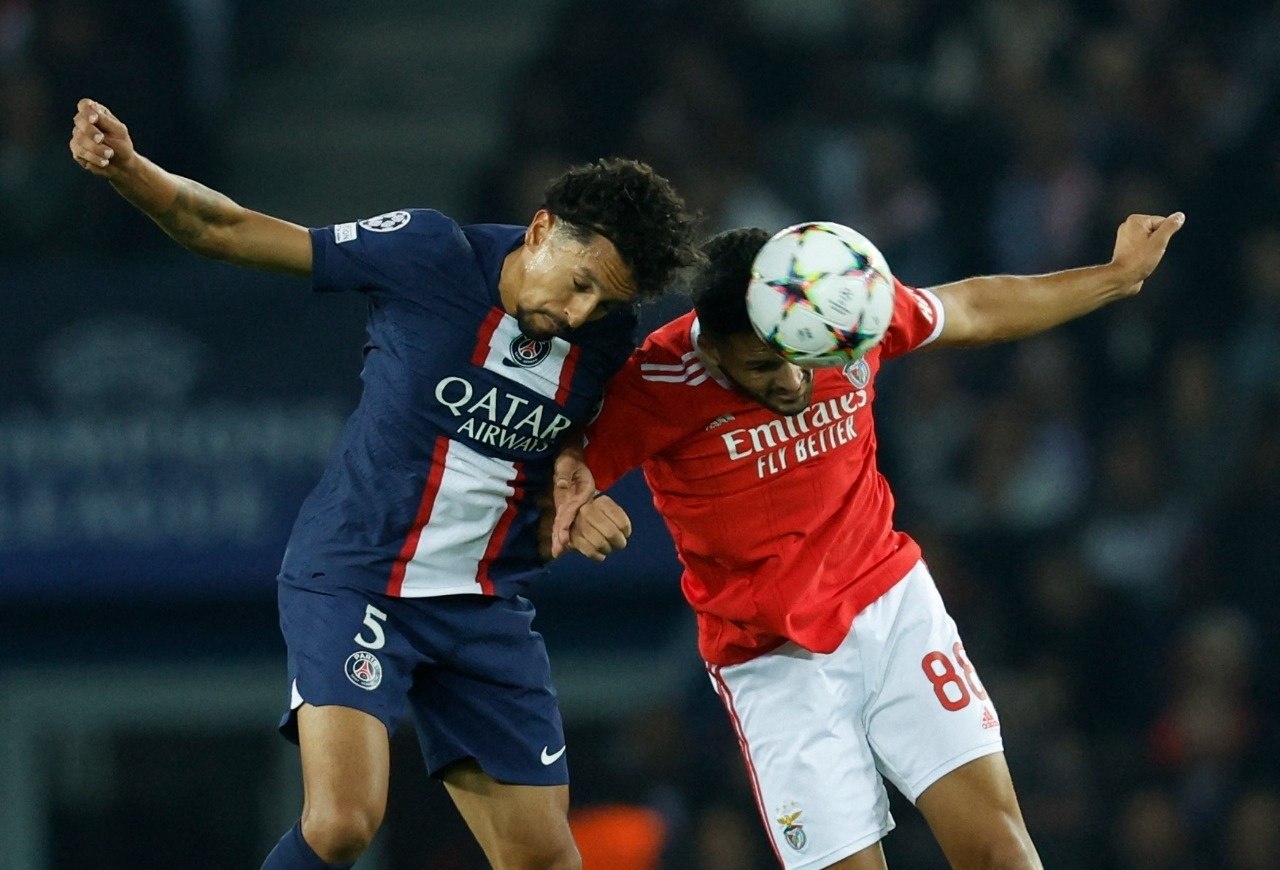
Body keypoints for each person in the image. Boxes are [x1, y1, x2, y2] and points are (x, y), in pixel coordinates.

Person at [68, 97, 699, 870]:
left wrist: (584, 479)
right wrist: (133, 173)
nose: (580, 312)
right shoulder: (430, 255)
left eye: (605, 301)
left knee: (545, 860)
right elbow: (225, 229)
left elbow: (587, 433)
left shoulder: (602, 336)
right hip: (358, 576)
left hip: (480, 602)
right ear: (540, 230)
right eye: (580, 284)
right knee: (341, 824)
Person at [551, 215, 1184, 869]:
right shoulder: (656, 381)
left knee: (1001, 852)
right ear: (711, 348)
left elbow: (970, 306)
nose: (793, 378)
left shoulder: (831, 312)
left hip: (891, 608)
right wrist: (576, 502)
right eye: (763, 365)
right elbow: (554, 472)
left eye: (800, 355)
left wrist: (1114, 278)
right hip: (772, 662)